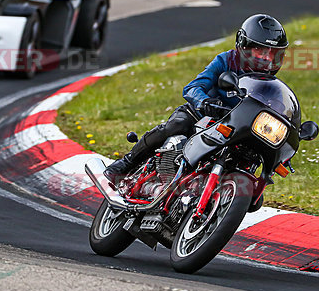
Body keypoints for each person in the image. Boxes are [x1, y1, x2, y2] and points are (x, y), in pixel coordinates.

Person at [103, 13, 289, 186]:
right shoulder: (226, 61)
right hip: (203, 116)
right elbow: (192, 87)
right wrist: (205, 102)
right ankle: (126, 163)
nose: (266, 58)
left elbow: (278, 112)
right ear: (244, 46)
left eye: (271, 53)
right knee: (176, 125)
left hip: (236, 130)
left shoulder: (271, 85)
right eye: (259, 50)